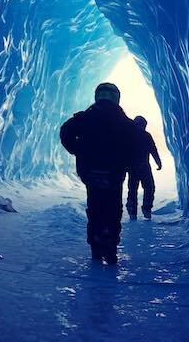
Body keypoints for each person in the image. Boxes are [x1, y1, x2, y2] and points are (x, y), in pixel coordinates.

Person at [60, 82, 139, 264]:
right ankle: (110, 245)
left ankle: (95, 246)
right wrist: (128, 163)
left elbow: (66, 132)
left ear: (98, 96)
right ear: (116, 97)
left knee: (94, 208)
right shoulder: (123, 120)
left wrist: (79, 150)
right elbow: (135, 143)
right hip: (114, 173)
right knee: (113, 209)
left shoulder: (85, 117)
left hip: (91, 172)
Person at [126, 116, 162, 220]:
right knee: (149, 187)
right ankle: (146, 208)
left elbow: (122, 151)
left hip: (132, 167)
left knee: (132, 189)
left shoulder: (129, 135)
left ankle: (132, 210)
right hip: (144, 166)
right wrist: (158, 162)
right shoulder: (146, 135)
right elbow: (153, 150)